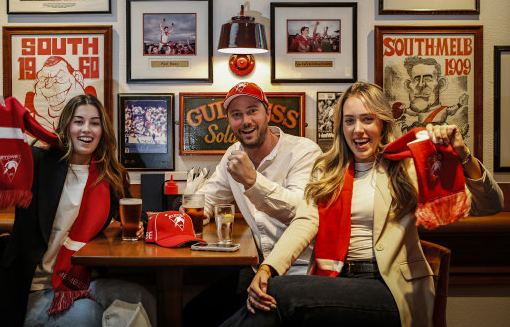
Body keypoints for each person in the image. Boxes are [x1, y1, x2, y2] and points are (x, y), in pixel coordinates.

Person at [220, 81, 503, 327]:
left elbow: (490, 205)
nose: (358, 130)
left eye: (367, 119)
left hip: (390, 287)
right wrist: (269, 268)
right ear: (340, 126)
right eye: (350, 120)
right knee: (271, 293)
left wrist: (463, 154)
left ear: (382, 123)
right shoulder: (326, 170)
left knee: (280, 294)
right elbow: (306, 222)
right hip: (337, 279)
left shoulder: (407, 167)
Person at [0, 94, 156, 327]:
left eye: (95, 122)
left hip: (84, 280)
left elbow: (131, 209)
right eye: (78, 121)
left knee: (143, 299)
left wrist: (140, 224)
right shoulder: (37, 162)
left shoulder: (110, 175)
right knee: (88, 316)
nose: (87, 129)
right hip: (33, 289)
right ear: (66, 127)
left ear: (103, 131)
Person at [182, 82, 322, 326]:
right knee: (192, 314)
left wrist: (253, 181)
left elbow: (301, 212)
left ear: (268, 113)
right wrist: (195, 212)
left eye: (252, 111)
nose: (245, 120)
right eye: (236, 115)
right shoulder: (233, 154)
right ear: (229, 121)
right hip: (258, 267)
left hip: (302, 269)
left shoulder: (303, 151)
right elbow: (209, 198)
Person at [395, 56, 468, 133]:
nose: (420, 85)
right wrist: (401, 110)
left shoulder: (443, 111)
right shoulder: (419, 115)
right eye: (416, 79)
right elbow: (409, 112)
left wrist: (460, 104)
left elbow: (452, 110)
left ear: (441, 84)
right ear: (408, 85)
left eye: (427, 79)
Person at [24, 56, 97, 132]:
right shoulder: (28, 125)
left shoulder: (92, 120)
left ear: (77, 77)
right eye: (45, 80)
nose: (50, 85)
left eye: (60, 76)